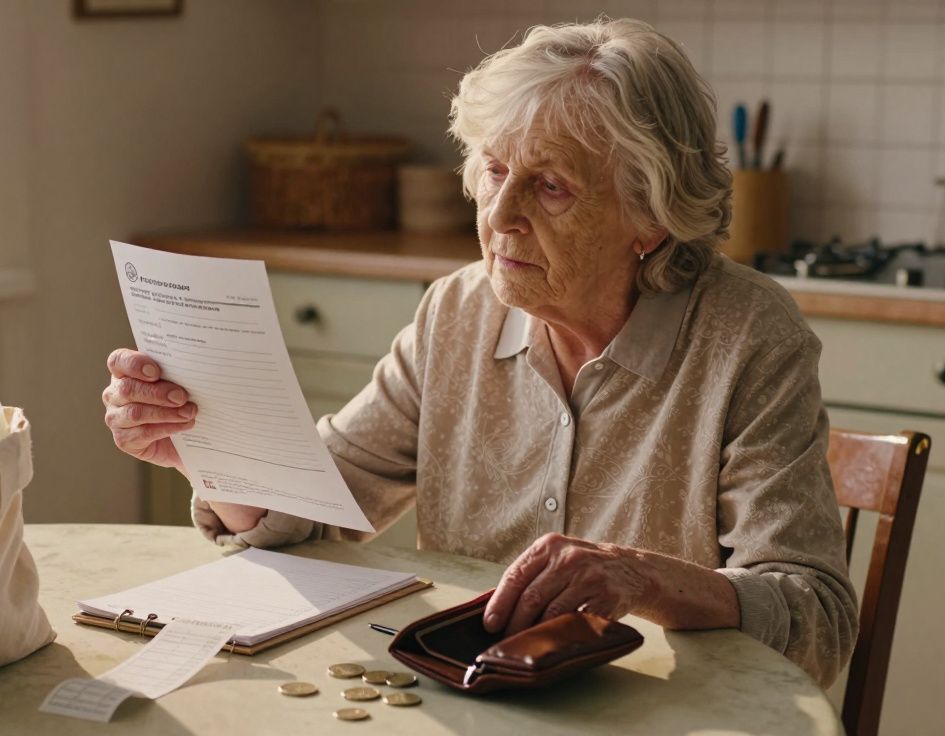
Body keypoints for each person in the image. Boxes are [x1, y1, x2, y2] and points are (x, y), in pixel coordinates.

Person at [102, 18, 857, 687]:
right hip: (471, 704)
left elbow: (815, 619)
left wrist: (641, 579)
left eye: (551, 186)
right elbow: (317, 507)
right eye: (495, 171)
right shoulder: (458, 310)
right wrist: (205, 441)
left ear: (651, 218)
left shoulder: (749, 336)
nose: (499, 216)